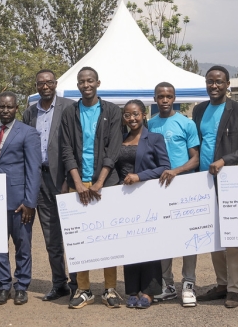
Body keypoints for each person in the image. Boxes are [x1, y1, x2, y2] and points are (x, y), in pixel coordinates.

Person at [191, 66, 238, 309]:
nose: (214, 86)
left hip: (230, 182)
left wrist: (225, 160)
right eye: (210, 81)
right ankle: (221, 284)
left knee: (233, 236)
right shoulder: (199, 110)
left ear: (227, 84)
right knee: (213, 235)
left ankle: (234, 289)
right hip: (204, 182)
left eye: (219, 81)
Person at [59, 67, 124, 309]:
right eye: (81, 81)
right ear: (78, 85)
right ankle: (84, 289)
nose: (86, 85)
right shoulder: (70, 112)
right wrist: (77, 182)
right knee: (80, 239)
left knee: (108, 237)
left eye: (90, 81)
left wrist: (99, 182)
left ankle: (110, 289)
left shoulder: (112, 111)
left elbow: (114, 149)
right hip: (78, 183)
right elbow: (66, 149)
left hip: (106, 183)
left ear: (98, 83)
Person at [22, 69, 76, 302]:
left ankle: (78, 284)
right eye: (40, 83)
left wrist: (68, 179)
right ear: (36, 86)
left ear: (56, 83)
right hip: (39, 179)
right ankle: (59, 283)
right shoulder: (29, 113)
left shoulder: (70, 107)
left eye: (49, 82)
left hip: (64, 179)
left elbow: (75, 145)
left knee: (73, 233)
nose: (45, 86)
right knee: (51, 236)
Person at [0, 92, 42, 306]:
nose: (5, 110)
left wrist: (30, 202)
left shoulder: (28, 133)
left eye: (9, 107)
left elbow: (34, 169)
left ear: (16, 108)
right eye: (2, 106)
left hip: (20, 202)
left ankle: (21, 286)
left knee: (22, 245)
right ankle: (3, 286)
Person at [149, 82, 201, 306]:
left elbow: (195, 158)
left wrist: (175, 171)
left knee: (189, 237)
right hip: (159, 188)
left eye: (168, 96)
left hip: (184, 186)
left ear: (174, 98)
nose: (165, 100)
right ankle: (167, 285)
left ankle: (188, 283)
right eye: (160, 96)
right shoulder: (150, 124)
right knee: (164, 237)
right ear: (155, 98)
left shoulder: (186, 123)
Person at [116, 100, 170, 308]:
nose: (132, 118)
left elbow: (164, 167)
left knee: (149, 244)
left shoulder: (154, 138)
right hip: (124, 199)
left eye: (136, 114)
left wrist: (139, 176)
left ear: (144, 114)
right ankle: (132, 290)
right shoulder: (120, 139)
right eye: (127, 115)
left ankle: (149, 291)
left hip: (148, 198)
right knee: (129, 244)